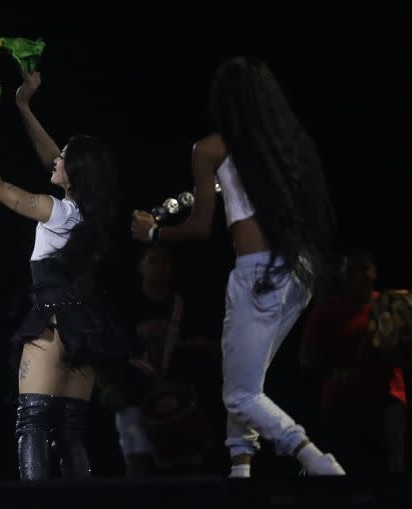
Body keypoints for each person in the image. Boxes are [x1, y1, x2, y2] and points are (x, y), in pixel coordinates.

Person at [131, 56, 344, 477]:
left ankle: (314, 460)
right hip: (297, 274)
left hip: (258, 274)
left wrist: (153, 234)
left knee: (241, 394)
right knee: (244, 379)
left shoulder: (210, 148)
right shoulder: (285, 149)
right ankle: (241, 468)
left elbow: (198, 228)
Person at [0, 73, 125, 480]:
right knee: (70, 433)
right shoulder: (85, 210)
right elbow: (51, 154)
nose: (56, 159)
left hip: (53, 323)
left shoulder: (59, 212)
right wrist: (22, 107)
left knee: (32, 423)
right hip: (85, 327)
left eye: (64, 159)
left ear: (75, 172)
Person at [106, 245, 219, 476]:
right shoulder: (125, 308)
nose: (160, 267)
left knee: (187, 468)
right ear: (141, 266)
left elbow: (206, 349)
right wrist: (111, 388)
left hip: (178, 396)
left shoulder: (184, 307)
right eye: (153, 261)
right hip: (136, 398)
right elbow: (113, 356)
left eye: (165, 261)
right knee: (138, 467)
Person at [301, 250, 408, 473]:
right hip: (341, 403)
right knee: (342, 469)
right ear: (342, 275)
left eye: (364, 269)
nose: (359, 276)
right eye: (352, 270)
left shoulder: (393, 306)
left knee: (389, 468)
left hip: (386, 401)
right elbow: (308, 358)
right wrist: (335, 373)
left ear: (375, 272)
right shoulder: (327, 311)